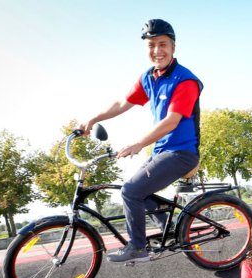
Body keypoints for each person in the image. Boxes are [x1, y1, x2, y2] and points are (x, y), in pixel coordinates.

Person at [79, 19, 203, 263]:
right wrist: (93, 118)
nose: (157, 51)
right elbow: (122, 103)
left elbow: (171, 121)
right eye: (151, 45)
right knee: (138, 191)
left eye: (163, 44)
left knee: (131, 191)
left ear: (173, 47)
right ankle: (174, 226)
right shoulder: (149, 77)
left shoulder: (185, 80)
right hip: (162, 151)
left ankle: (138, 247)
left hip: (182, 152)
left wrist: (138, 144)